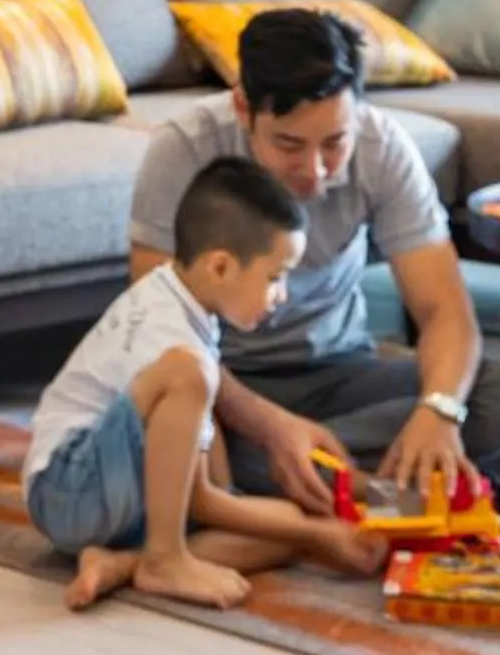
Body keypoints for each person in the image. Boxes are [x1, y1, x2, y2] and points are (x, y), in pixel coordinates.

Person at [127, 8, 500, 520]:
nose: (315, 170)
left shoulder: (382, 148)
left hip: (339, 375)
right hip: (217, 381)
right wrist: (271, 427)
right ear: (243, 108)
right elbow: (160, 329)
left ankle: (308, 479)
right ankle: (376, 487)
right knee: (165, 435)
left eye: (334, 143)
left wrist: (438, 413)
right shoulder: (184, 150)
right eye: (288, 145)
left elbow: (445, 311)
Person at [28, 156, 389, 611]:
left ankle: (122, 563)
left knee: (283, 528)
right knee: (193, 374)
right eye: (275, 277)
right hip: (67, 488)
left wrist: (302, 526)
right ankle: (163, 560)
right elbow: (201, 500)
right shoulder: (170, 338)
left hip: (117, 493)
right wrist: (318, 530)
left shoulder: (190, 306)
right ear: (220, 266)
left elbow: (209, 478)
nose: (282, 295)